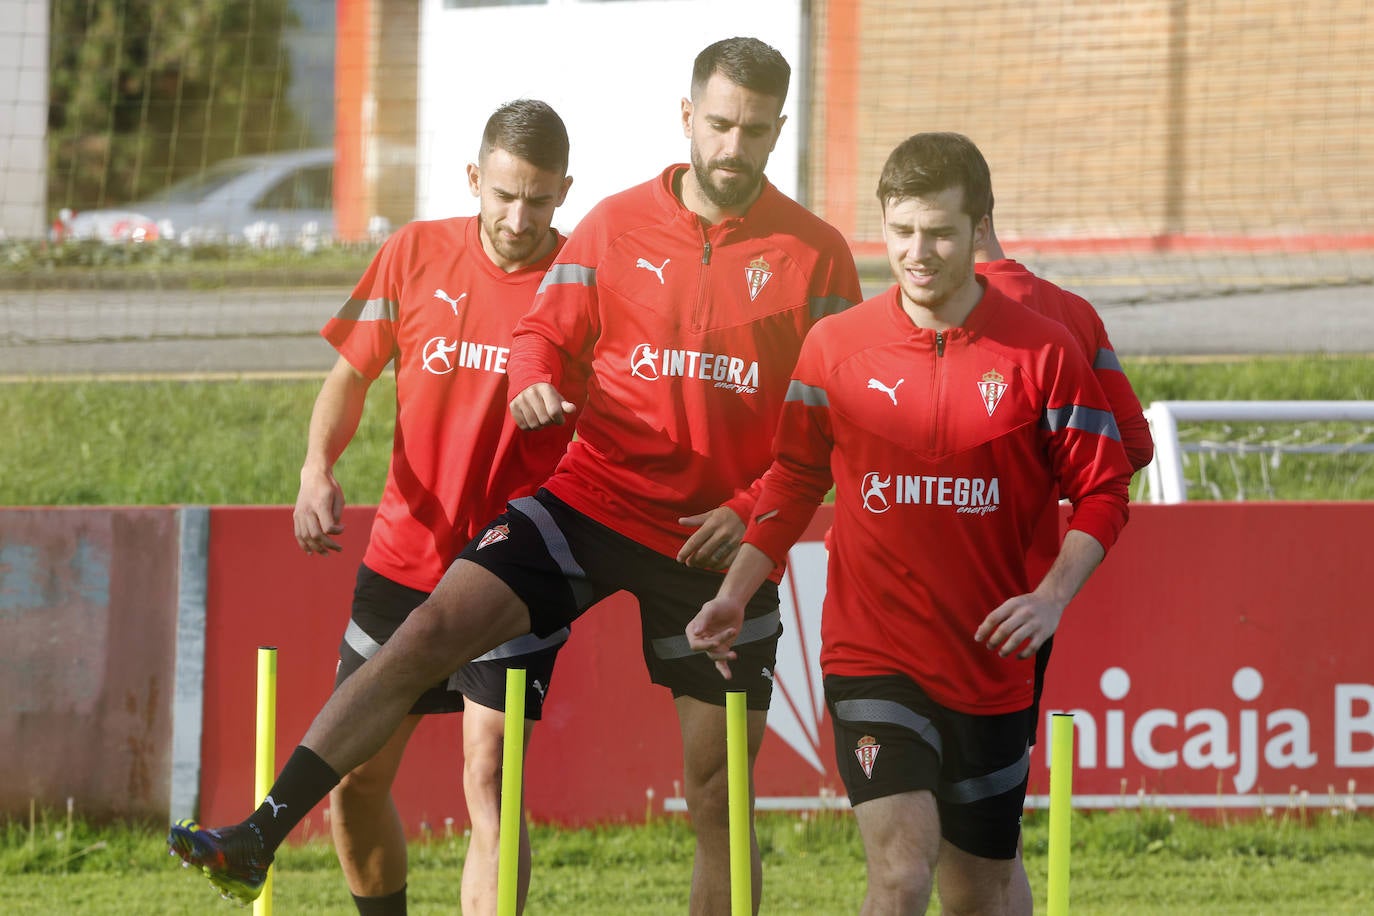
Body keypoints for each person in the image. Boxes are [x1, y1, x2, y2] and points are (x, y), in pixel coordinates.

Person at [168, 36, 861, 915]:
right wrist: (532, 382)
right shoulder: (615, 223)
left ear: (778, 129)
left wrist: (753, 507)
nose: (732, 147)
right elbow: (542, 332)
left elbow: (836, 420)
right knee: (422, 638)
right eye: (719, 123)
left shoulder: (818, 254)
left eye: (754, 130)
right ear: (688, 118)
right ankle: (257, 835)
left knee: (715, 795)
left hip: (713, 545)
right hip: (589, 500)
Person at [685, 132, 1133, 914]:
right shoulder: (835, 348)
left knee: (980, 886)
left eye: (938, 232)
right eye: (900, 231)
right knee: (899, 870)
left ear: (978, 227)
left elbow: (1105, 489)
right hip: (872, 651)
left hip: (992, 661)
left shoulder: (1045, 353)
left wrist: (1052, 597)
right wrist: (736, 589)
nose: (916, 252)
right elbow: (793, 480)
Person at [177, 100, 580, 915]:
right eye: (504, 194)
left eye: (538, 200)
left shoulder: (579, 288)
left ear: (565, 191)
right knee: (354, 788)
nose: (518, 216)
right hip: (405, 560)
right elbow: (352, 374)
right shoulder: (414, 252)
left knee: (489, 776)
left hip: (513, 569)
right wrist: (316, 469)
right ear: (474, 177)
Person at [975, 205, 1154, 916]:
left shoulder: (909, 310)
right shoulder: (1072, 314)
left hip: (928, 596)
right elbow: (1131, 447)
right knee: (993, 830)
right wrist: (1045, 471)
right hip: (1026, 599)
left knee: (923, 839)